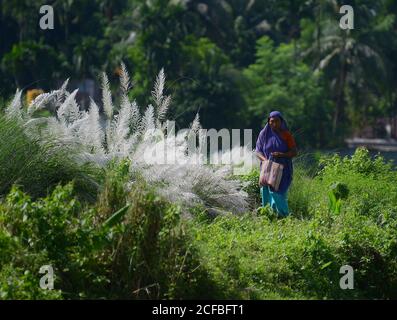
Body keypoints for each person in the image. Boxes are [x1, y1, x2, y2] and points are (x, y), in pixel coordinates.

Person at [255, 111, 298, 217]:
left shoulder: (286, 135)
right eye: (272, 121)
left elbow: (294, 152)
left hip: (283, 168)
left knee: (278, 192)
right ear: (268, 122)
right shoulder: (263, 134)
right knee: (265, 191)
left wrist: (282, 154)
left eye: (277, 121)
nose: (274, 124)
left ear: (281, 122)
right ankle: (268, 215)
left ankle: (284, 216)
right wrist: (265, 161)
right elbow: (258, 151)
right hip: (266, 168)